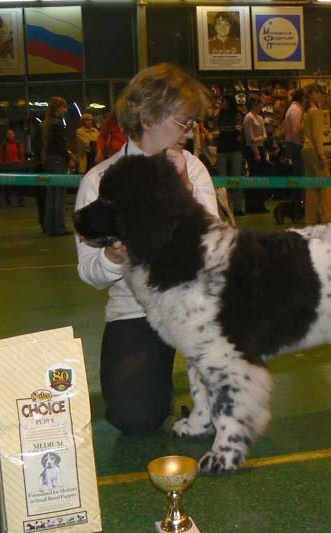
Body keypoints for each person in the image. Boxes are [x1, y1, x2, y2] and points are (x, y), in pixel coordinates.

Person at [75, 63, 219, 435]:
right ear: (149, 116)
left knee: (228, 405)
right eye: (184, 121)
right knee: (135, 418)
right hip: (135, 310)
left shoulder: (194, 169)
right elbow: (89, 273)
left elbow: (214, 248)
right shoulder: (98, 181)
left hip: (197, 303)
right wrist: (113, 257)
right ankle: (159, 388)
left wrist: (185, 189)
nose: (189, 131)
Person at [302, 83, 331, 225]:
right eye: (316, 93)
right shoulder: (315, 112)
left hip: (306, 150)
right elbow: (317, 136)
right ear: (310, 95)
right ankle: (328, 217)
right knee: (325, 186)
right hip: (314, 151)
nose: (319, 96)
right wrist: (322, 155)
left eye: (320, 93)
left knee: (311, 187)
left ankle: (311, 218)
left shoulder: (306, 111)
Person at [42, 96, 75, 236]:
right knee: (59, 195)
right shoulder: (58, 124)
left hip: (49, 160)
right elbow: (60, 145)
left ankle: (50, 228)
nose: (65, 109)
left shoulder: (47, 123)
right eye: (63, 107)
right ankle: (59, 228)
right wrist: (69, 159)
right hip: (58, 161)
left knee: (51, 195)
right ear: (57, 108)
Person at [215, 94, 245, 215]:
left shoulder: (238, 115)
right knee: (222, 181)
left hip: (234, 150)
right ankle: (224, 208)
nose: (223, 103)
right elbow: (232, 132)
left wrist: (222, 133)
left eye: (224, 101)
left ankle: (238, 208)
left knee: (236, 179)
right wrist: (228, 132)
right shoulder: (219, 115)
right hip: (221, 150)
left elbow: (237, 131)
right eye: (222, 101)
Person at [243, 94, 268, 213]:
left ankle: (261, 205)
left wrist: (258, 139)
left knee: (261, 177)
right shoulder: (249, 117)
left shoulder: (260, 118)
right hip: (253, 150)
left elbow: (265, 136)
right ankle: (252, 206)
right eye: (260, 103)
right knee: (254, 177)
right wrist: (256, 151)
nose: (261, 106)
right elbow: (250, 138)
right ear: (253, 104)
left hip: (261, 149)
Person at [0, 128, 26, 207]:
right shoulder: (4, 145)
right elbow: (1, 156)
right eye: (8, 134)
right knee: (8, 185)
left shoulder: (17, 144)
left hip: (17, 166)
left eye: (11, 134)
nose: (10, 135)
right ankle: (7, 200)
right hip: (7, 167)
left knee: (19, 184)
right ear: (6, 136)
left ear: (14, 135)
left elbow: (21, 155)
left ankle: (21, 201)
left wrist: (22, 164)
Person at [283, 88, 305, 177]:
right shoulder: (295, 110)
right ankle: (298, 191)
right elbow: (296, 130)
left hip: (294, 144)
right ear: (301, 98)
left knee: (297, 171)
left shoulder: (294, 108)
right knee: (298, 172)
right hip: (296, 145)